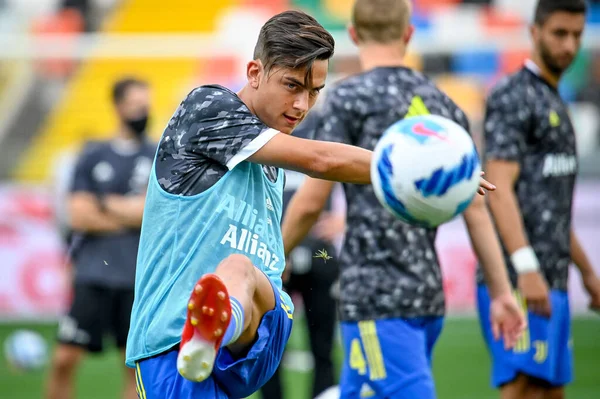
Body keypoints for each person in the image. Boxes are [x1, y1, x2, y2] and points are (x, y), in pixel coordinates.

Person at [124, 9, 496, 399]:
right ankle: (213, 329)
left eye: (315, 91)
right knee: (237, 269)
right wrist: (415, 165)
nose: (303, 104)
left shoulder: (270, 154)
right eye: (292, 85)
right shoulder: (208, 108)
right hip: (173, 341)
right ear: (254, 72)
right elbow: (321, 161)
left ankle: (219, 324)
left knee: (240, 270)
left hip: (256, 328)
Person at [280, 1, 526, 399]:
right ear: (408, 34)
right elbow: (476, 207)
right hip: (428, 296)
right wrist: (501, 293)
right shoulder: (443, 104)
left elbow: (311, 202)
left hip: (374, 296)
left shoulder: (347, 99)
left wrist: (272, 260)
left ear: (355, 36)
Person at [477, 1, 600, 398]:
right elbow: (498, 188)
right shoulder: (514, 95)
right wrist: (525, 268)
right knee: (523, 388)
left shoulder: (554, 99)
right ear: (535, 32)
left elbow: (552, 209)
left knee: (550, 390)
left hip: (553, 278)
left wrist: (586, 271)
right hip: (518, 279)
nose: (568, 45)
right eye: (559, 33)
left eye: (577, 35)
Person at [46, 77, 156, 399]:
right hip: (93, 273)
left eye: (146, 106)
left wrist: (104, 203)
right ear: (119, 107)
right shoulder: (92, 154)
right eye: (136, 106)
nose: (142, 112)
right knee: (64, 360)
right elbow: (78, 215)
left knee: (133, 368)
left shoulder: (158, 155)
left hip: (137, 276)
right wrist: (131, 212)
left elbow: (153, 214)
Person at [260, 109, 345, 399]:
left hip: (318, 250)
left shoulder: (327, 120)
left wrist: (346, 219)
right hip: (270, 251)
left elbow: (352, 164)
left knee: (322, 347)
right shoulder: (259, 120)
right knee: (267, 352)